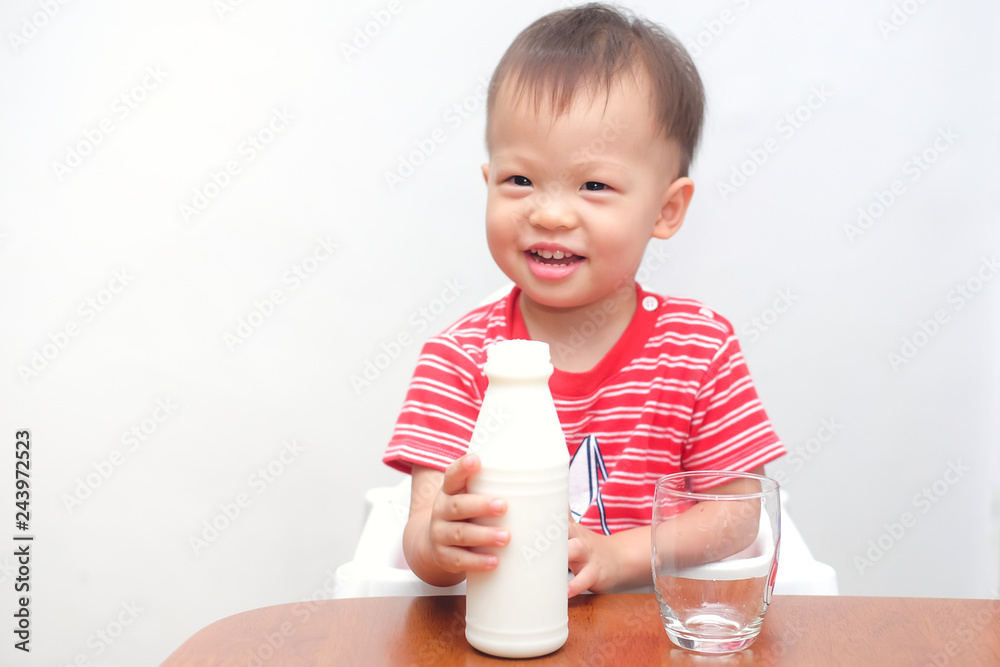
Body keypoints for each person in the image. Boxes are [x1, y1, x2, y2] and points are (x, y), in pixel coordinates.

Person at [382, 3, 785, 597]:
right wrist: (438, 541)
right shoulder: (460, 358)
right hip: (505, 628)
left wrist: (621, 556)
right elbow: (423, 537)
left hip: (658, 632)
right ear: (488, 181)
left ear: (666, 210)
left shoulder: (699, 348)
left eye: (593, 185)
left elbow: (737, 513)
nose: (547, 212)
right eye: (519, 180)